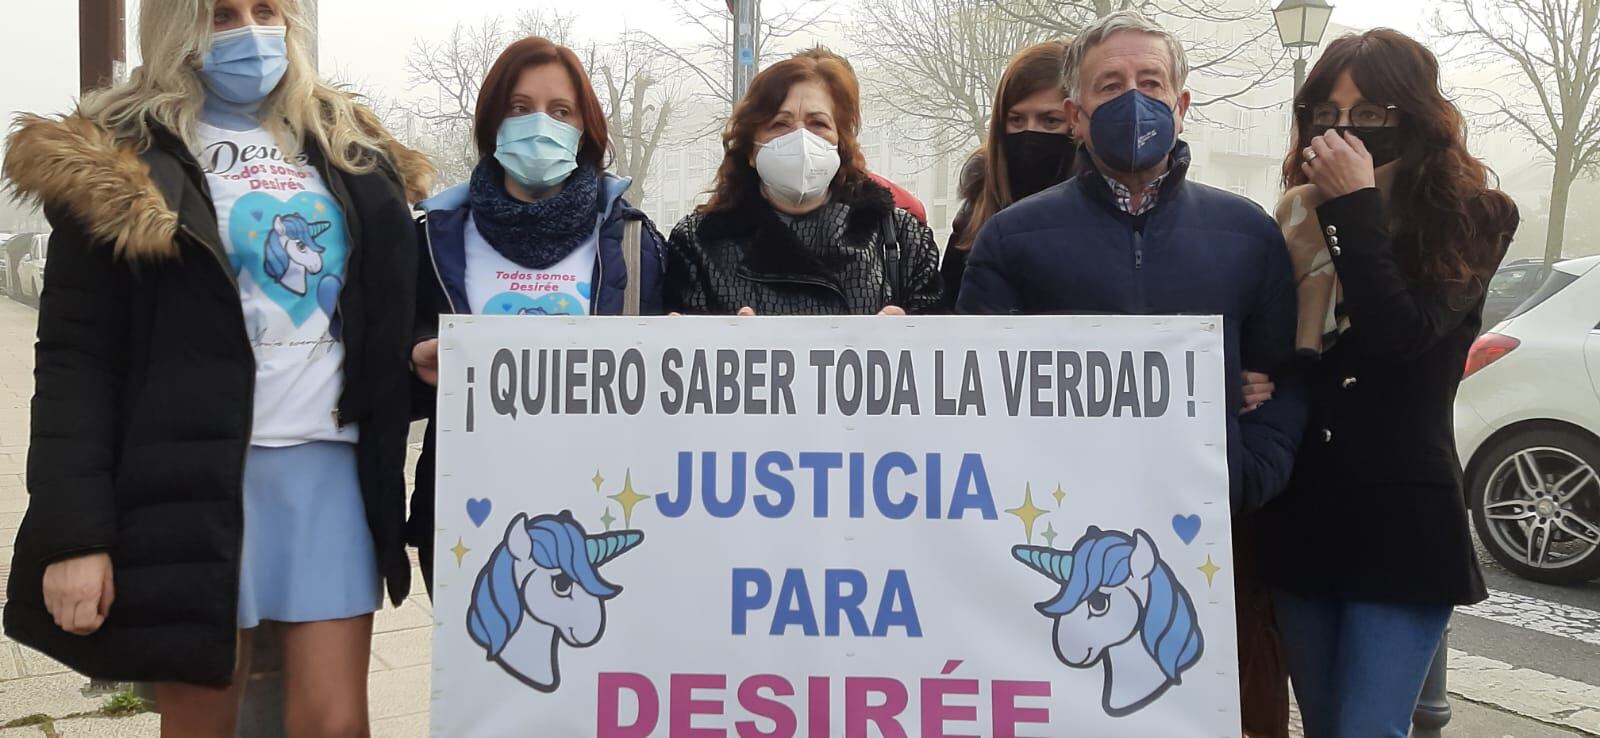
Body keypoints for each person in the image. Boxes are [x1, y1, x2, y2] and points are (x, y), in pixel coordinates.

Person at [0, 0, 432, 734]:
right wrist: (73, 536)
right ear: (178, 27)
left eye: (266, 9)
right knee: (204, 725)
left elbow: (391, 298)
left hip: (330, 473)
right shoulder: (119, 154)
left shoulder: (347, 144)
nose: (250, 30)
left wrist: (421, 348)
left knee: (334, 724)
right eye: (223, 13)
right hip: (189, 484)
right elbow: (75, 361)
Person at [955, 14, 1305, 737]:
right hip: (1057, 540)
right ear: (1077, 117)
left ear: (1180, 106)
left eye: (1150, 83)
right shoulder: (1012, 239)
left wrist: (1246, 471)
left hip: (1216, 542)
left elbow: (1286, 377)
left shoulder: (1248, 234)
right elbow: (972, 388)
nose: (1133, 100)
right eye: (1110, 86)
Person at [1262, 30, 1519, 738]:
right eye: (1326, 112)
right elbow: (1287, 347)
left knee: (1368, 729)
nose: (1342, 131)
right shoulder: (1293, 215)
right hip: (1306, 512)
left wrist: (1353, 207)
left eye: (1368, 113)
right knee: (1322, 726)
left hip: (1402, 519)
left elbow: (1401, 338)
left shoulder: (1472, 217)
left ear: (1414, 113)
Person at [406, 35, 667, 597]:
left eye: (560, 110)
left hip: (600, 505)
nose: (539, 124)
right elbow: (384, 368)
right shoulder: (433, 240)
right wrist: (415, 360)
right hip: (465, 510)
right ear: (492, 123)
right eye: (519, 109)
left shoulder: (632, 243)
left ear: (585, 129)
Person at [664, 49, 941, 315]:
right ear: (750, 147)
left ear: (840, 143)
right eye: (779, 125)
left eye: (818, 123)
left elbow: (942, 346)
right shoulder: (697, 245)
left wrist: (907, 335)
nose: (801, 140)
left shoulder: (901, 238)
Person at [942, 39, 1076, 311]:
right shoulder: (974, 215)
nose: (1030, 133)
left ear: (1076, 121)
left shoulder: (1103, 218)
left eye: (1050, 121)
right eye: (1016, 120)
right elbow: (945, 315)